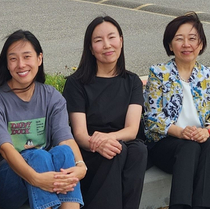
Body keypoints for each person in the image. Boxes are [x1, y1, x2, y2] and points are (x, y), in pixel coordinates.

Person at [0, 30, 85, 209]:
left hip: (47, 174)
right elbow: (5, 149)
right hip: (6, 181)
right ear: (7, 63)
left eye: (27, 56)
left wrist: (81, 166)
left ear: (39, 59)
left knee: (64, 152)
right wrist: (37, 178)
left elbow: (65, 138)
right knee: (38, 155)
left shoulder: (51, 96)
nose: (21, 65)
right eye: (13, 59)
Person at [62, 16, 147, 209]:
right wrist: (98, 143)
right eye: (99, 40)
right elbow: (80, 134)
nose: (107, 45)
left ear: (121, 40)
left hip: (120, 144)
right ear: (91, 48)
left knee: (138, 150)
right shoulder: (76, 83)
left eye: (112, 37)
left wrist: (108, 139)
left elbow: (132, 130)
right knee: (116, 151)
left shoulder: (132, 81)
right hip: (89, 150)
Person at [144, 12, 210, 209]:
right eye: (179, 39)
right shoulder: (159, 73)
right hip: (167, 145)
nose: (186, 44)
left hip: (202, 142)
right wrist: (180, 132)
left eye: (192, 39)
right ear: (170, 45)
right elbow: (152, 119)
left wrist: (206, 131)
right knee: (189, 146)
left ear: (201, 44)